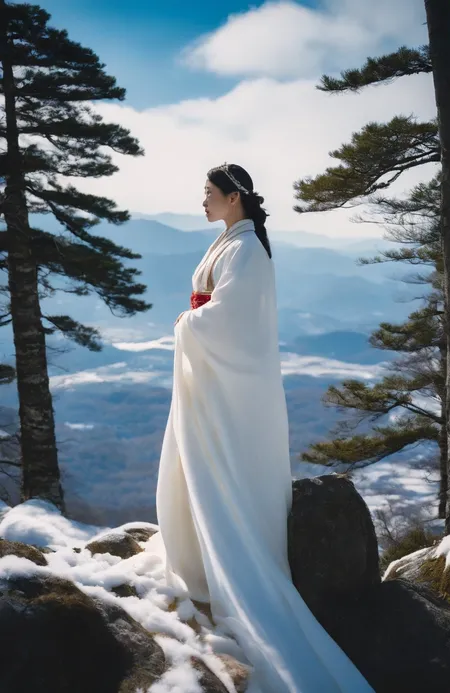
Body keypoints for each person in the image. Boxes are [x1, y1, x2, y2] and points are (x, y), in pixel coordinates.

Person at [153, 163, 374, 692]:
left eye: (208, 193)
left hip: (230, 388)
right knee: (199, 465)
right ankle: (202, 558)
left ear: (234, 198)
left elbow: (232, 320)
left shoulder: (248, 251)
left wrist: (187, 323)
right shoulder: (233, 242)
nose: (202, 201)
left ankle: (232, 564)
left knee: (223, 468)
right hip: (211, 382)